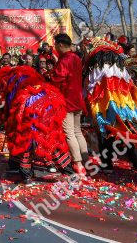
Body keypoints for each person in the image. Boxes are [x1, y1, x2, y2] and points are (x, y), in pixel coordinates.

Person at [48, 33, 89, 176]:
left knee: (69, 132)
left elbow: (58, 77)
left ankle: (78, 164)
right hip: (78, 99)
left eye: (55, 45)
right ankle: (85, 160)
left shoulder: (65, 59)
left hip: (66, 101)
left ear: (60, 45)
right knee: (77, 132)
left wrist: (49, 76)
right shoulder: (76, 58)